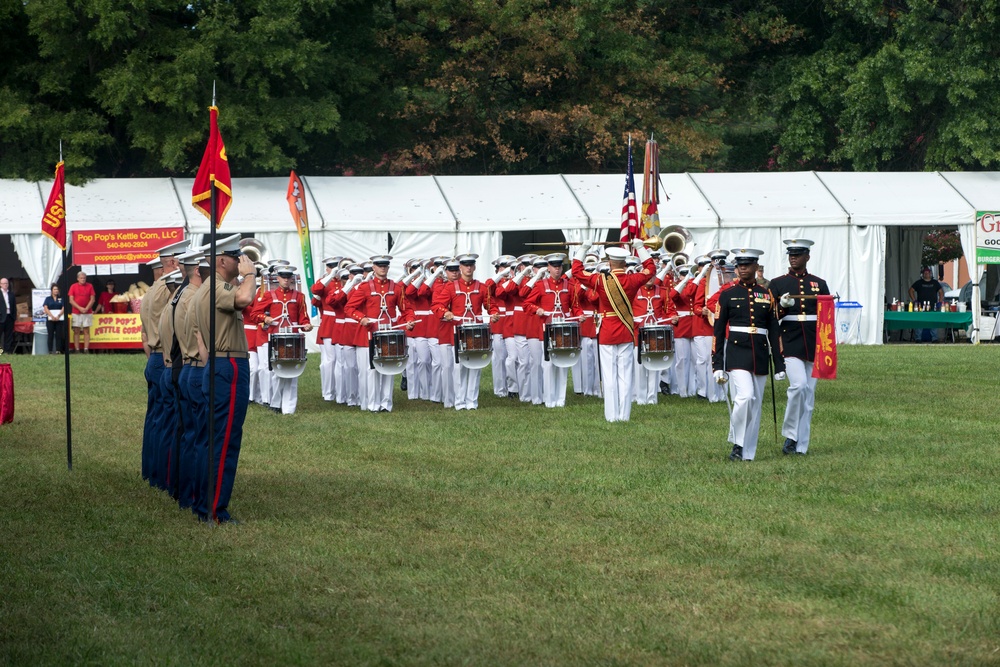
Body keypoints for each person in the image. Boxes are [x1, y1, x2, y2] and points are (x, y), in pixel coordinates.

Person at [191, 233, 256, 524]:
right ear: (221, 261)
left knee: (212, 439)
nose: (242, 261)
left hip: (219, 365)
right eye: (237, 257)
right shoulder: (216, 288)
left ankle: (204, 503)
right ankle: (214, 510)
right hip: (228, 365)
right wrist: (251, 274)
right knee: (224, 441)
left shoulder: (210, 288)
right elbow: (245, 297)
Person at [712, 248, 785, 462]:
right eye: (739, 265)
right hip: (736, 352)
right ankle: (737, 441)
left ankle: (747, 452)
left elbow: (774, 330)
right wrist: (717, 365)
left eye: (747, 265)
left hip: (760, 352)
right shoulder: (727, 294)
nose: (742, 268)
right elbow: (717, 332)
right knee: (744, 397)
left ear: (756, 267)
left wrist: (779, 364)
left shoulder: (766, 294)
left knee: (755, 404)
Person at [571, 238, 656, 422]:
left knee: (609, 377)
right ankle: (624, 416)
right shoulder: (633, 279)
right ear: (625, 263)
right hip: (626, 330)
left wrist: (584, 248)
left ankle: (612, 416)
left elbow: (576, 271)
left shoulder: (601, 280)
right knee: (625, 376)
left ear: (609, 262)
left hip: (607, 331)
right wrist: (640, 247)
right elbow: (651, 269)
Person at [769, 239, 831, 456]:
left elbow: (826, 316)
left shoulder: (819, 283)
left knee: (809, 395)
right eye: (791, 254)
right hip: (790, 341)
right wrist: (782, 307)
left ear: (807, 256)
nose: (793, 257)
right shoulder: (777, 284)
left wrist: (826, 346)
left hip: (814, 341)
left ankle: (801, 445)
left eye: (798, 253)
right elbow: (770, 316)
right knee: (799, 387)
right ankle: (791, 435)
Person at [139, 240, 187, 487]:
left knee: (156, 421)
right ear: (172, 262)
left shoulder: (150, 290)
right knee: (169, 422)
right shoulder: (170, 289)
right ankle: (166, 479)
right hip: (166, 357)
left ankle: (153, 472)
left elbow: (144, 335)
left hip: (156, 357)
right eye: (183, 259)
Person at [346, 255, 414, 412]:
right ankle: (372, 404)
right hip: (368, 335)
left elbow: (407, 309)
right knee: (370, 371)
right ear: (373, 268)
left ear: (388, 268)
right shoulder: (364, 288)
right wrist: (361, 318)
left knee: (388, 370)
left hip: (389, 334)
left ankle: (386, 404)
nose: (382, 268)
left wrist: (410, 320)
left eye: (385, 265)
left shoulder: (396, 288)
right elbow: (349, 308)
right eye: (379, 265)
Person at [433, 253, 498, 410]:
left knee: (475, 366)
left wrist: (494, 314)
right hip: (458, 331)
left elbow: (491, 305)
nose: (468, 268)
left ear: (474, 267)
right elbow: (437, 305)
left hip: (476, 332)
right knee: (459, 367)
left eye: (471, 265)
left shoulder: (482, 287)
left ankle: (472, 401)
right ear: (460, 267)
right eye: (465, 265)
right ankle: (460, 401)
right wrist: (445, 313)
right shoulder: (450, 287)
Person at [254, 265, 313, 415]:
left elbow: (303, 317)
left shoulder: (299, 296)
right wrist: (265, 318)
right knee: (276, 371)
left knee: (292, 371)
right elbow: (256, 313)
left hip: (292, 338)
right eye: (283, 277)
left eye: (288, 277)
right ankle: (275, 402)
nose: (286, 280)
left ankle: (289, 408)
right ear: (278, 278)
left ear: (291, 278)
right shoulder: (269, 295)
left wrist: (306, 325)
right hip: (275, 337)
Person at [908, 267, 944, 342]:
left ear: (930, 273)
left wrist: (940, 302)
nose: (926, 274)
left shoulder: (935, 282)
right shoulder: (919, 283)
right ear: (922, 274)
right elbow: (911, 290)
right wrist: (914, 300)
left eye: (928, 273)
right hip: (920, 306)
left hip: (932, 306)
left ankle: (934, 338)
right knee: (920, 322)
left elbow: (941, 292)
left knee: (933, 322)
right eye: (925, 273)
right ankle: (918, 338)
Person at [67, 271, 96, 353]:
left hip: (88, 311)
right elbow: (71, 300)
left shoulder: (90, 286)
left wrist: (86, 308)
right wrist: (80, 308)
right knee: (76, 330)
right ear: (77, 279)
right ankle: (77, 349)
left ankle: (86, 349)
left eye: (84, 278)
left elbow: (92, 299)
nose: (83, 279)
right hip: (76, 311)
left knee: (86, 330)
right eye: (81, 278)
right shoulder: (73, 286)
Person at [43, 284, 66, 354]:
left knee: (59, 335)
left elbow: (63, 307)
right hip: (50, 319)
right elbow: (45, 307)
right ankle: (50, 350)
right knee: (50, 335)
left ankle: (58, 350)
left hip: (59, 319)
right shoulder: (48, 298)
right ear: (51, 291)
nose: (56, 291)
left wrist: (59, 315)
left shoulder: (61, 298)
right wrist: (51, 316)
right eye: (54, 289)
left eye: (57, 289)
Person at [0, 277, 17, 354]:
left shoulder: (11, 294)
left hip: (9, 317)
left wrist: (14, 317)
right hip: (1, 317)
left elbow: (14, 306)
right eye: (3, 283)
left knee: (8, 335)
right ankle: (0, 351)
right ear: (0, 284)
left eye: (6, 283)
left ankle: (7, 351)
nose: (5, 285)